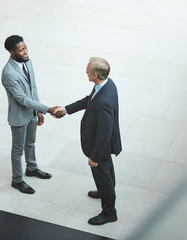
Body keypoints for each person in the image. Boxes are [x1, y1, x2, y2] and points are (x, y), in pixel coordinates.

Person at [59, 57, 122, 225]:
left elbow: (104, 133)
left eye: (87, 70)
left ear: (95, 75)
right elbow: (89, 99)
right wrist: (65, 110)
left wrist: (94, 157)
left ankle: (109, 212)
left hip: (99, 145)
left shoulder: (104, 102)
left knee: (102, 172)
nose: (85, 72)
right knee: (106, 168)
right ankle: (105, 190)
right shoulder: (106, 84)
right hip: (102, 145)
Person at [1, 35, 63, 194]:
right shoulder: (8, 73)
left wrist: (38, 111)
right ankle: (17, 180)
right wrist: (47, 109)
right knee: (17, 150)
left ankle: (32, 168)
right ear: (12, 52)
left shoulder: (27, 61)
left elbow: (33, 88)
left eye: (26, 47)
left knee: (31, 143)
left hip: (31, 113)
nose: (26, 51)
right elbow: (22, 99)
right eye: (21, 50)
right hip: (19, 117)